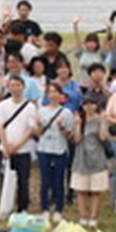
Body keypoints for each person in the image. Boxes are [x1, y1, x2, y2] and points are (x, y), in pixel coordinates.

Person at [0, 76, 39, 213]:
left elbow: (30, 129)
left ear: (23, 87)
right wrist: (5, 146)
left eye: (18, 85)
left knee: (23, 180)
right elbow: (0, 126)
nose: (15, 88)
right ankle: (5, 207)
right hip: (5, 149)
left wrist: (17, 145)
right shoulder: (3, 105)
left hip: (23, 149)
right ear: (8, 88)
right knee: (5, 179)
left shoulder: (30, 107)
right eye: (12, 85)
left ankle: (22, 208)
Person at [36, 82, 75, 222]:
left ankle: (59, 209)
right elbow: (37, 133)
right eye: (50, 92)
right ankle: (45, 208)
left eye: (56, 92)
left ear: (61, 95)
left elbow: (70, 135)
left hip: (60, 149)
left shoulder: (66, 113)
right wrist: (39, 126)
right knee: (45, 180)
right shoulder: (40, 111)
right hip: (44, 148)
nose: (53, 95)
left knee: (59, 180)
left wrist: (62, 127)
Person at [71, 93, 109, 229]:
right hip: (81, 156)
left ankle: (94, 217)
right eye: (86, 104)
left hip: (97, 157)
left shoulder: (100, 120)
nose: (89, 107)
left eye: (92, 104)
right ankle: (82, 215)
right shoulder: (79, 120)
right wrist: (77, 125)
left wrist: (104, 122)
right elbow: (76, 139)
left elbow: (103, 138)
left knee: (96, 191)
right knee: (81, 190)